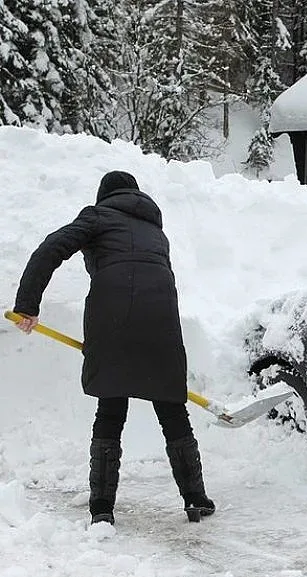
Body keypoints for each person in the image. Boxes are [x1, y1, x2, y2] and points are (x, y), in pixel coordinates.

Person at [12, 170, 215, 525]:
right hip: (162, 317)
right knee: (171, 408)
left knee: (111, 405)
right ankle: (195, 499)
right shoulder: (156, 232)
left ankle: (102, 509)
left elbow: (51, 248)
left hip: (112, 315)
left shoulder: (96, 215)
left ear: (104, 195)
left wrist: (27, 304)